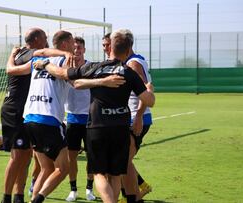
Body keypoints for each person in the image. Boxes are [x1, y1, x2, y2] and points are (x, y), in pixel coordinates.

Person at [33, 29, 155, 203]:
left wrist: (45, 65)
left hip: (97, 127)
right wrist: (150, 90)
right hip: (120, 128)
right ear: (127, 50)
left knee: (99, 174)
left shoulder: (95, 67)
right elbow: (149, 101)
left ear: (110, 47)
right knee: (115, 174)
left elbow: (67, 76)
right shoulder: (128, 72)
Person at [1, 28, 74, 203]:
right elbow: (68, 77)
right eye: (72, 43)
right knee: (59, 167)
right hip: (32, 115)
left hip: (28, 116)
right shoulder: (48, 57)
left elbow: (13, 67)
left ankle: (19, 196)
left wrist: (12, 56)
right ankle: (17, 198)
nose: (46, 40)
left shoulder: (32, 57)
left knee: (38, 162)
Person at [120, 31, 154, 203]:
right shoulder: (133, 60)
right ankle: (133, 195)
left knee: (122, 161)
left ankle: (133, 197)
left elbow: (146, 91)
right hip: (132, 117)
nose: (106, 48)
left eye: (108, 45)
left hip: (136, 118)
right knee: (123, 161)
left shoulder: (133, 63)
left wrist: (139, 116)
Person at [64, 36, 96, 202]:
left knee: (92, 156)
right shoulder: (64, 67)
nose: (76, 51)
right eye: (74, 48)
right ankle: (73, 190)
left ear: (84, 49)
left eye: (79, 48)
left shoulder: (90, 67)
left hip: (90, 118)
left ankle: (89, 189)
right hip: (72, 118)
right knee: (72, 157)